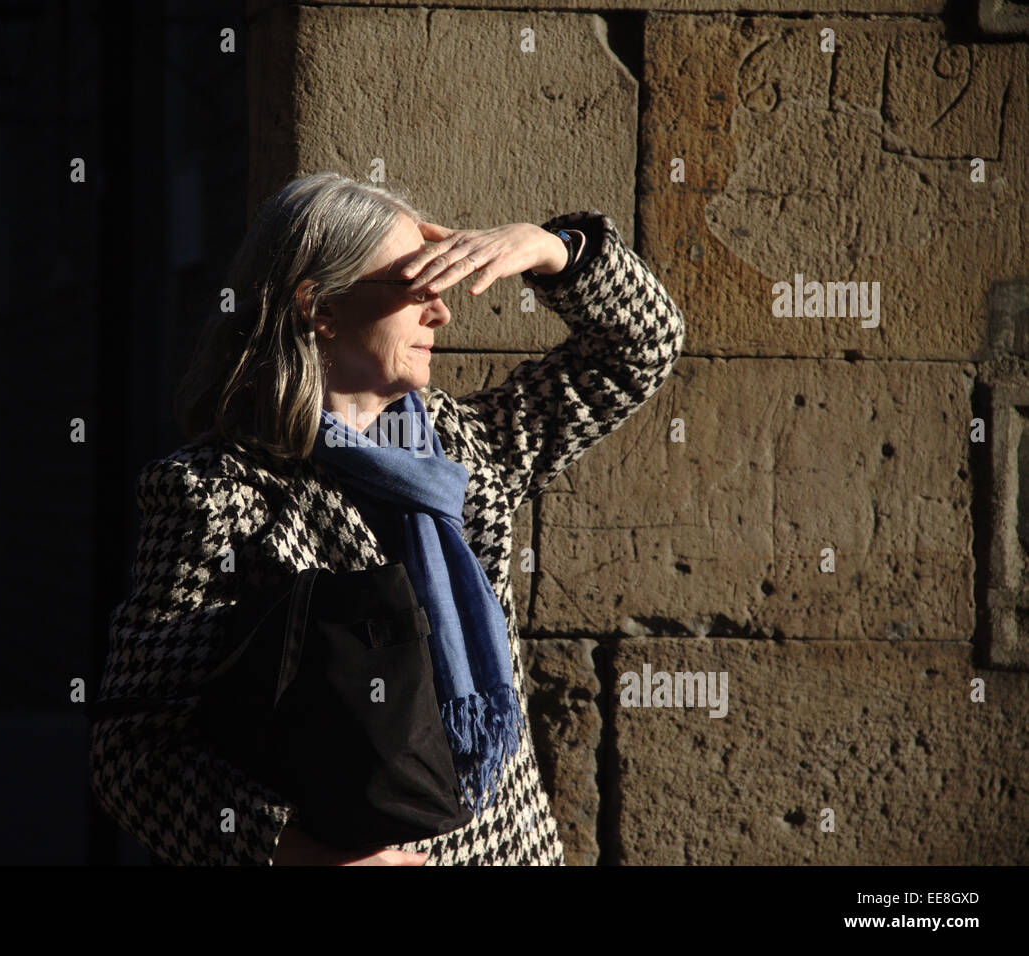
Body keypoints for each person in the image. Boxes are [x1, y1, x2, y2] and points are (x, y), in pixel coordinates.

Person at [89, 171, 685, 865]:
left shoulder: (467, 451)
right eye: (415, 288)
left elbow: (641, 347)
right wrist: (297, 852)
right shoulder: (218, 495)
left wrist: (551, 251)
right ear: (322, 309)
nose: (442, 314)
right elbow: (133, 752)